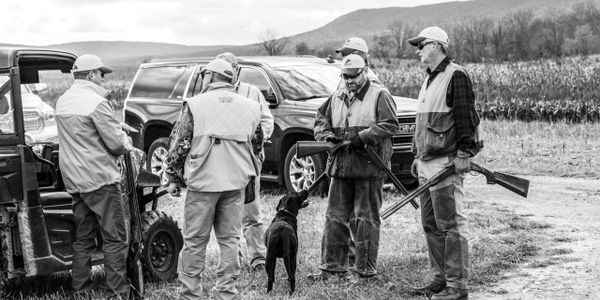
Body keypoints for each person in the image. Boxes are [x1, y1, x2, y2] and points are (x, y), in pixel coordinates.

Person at [164, 58, 261, 300]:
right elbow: (257, 145)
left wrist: (173, 176)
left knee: (195, 241)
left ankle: (191, 294)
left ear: (210, 77)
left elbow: (180, 143)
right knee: (229, 240)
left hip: (203, 185)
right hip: (236, 184)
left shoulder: (196, 104)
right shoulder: (251, 106)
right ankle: (226, 292)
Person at [407, 26, 482, 300]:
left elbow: (466, 119)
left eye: (421, 45)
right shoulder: (429, 80)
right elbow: (423, 125)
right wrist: (417, 156)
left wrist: (464, 154)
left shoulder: (456, 75)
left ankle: (457, 286)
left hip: (446, 165)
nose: (418, 50)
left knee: (451, 226)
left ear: (437, 46)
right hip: (426, 166)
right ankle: (439, 279)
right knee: (430, 224)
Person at [309, 54, 399, 281]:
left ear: (365, 70)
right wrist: (326, 135)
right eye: (345, 76)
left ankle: (364, 272)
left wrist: (365, 136)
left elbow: (390, 125)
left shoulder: (380, 94)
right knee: (335, 217)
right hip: (341, 166)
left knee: (365, 219)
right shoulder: (337, 95)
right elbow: (320, 119)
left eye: (354, 75)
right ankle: (332, 269)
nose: (349, 81)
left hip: (369, 166)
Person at [55, 54, 133, 299]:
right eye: (101, 74)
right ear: (90, 75)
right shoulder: (96, 102)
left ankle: (81, 290)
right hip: (100, 179)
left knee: (83, 239)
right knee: (115, 238)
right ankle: (117, 292)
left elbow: (83, 134)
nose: (103, 78)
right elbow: (116, 145)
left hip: (75, 181)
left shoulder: (63, 101)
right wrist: (127, 140)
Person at [216, 52, 275, 272]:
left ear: (237, 70)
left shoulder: (252, 92)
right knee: (226, 211)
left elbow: (267, 121)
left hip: (249, 160)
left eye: (230, 68)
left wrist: (256, 142)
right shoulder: (213, 93)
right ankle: (233, 256)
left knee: (251, 209)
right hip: (222, 161)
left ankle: (258, 257)